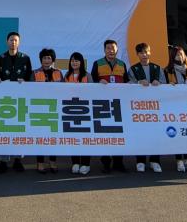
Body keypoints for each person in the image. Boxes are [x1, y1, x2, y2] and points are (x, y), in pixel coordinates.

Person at [0, 31, 32, 173]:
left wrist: (25, 81)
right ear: (7, 41)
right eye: (11, 40)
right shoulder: (0, 58)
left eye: (16, 40)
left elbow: (29, 77)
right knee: (3, 130)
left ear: (19, 42)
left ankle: (18, 160)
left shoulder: (25, 58)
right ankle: (3, 161)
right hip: (4, 101)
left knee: (19, 129)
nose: (13, 42)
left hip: (20, 100)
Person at [90, 39, 129, 173]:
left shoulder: (122, 64)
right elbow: (92, 81)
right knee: (105, 133)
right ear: (104, 50)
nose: (111, 50)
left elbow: (127, 82)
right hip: (103, 104)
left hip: (119, 104)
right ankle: (106, 162)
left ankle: (118, 162)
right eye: (108, 48)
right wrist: (98, 81)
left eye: (113, 48)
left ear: (117, 50)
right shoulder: (97, 63)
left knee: (119, 133)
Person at [128, 42, 166, 173]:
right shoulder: (133, 69)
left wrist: (159, 82)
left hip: (155, 107)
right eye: (141, 53)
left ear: (150, 52)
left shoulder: (157, 68)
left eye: (146, 52)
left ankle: (155, 161)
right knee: (140, 134)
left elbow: (165, 84)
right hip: (139, 107)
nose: (144, 55)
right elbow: (128, 84)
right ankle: (140, 161)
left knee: (156, 134)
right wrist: (138, 82)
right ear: (137, 54)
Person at [31, 48, 63, 173]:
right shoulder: (34, 73)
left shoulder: (59, 73)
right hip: (39, 109)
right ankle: (40, 163)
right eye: (44, 58)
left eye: (49, 58)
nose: (46, 60)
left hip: (54, 109)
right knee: (40, 137)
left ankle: (53, 162)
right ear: (41, 60)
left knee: (53, 137)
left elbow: (63, 90)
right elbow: (28, 90)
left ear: (53, 60)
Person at [165, 46, 187, 173]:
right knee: (177, 133)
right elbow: (162, 88)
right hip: (174, 106)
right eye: (177, 55)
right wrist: (168, 86)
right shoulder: (168, 70)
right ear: (172, 56)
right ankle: (179, 160)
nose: (180, 56)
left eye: (182, 54)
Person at [64, 52, 92, 175]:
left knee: (85, 139)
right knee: (73, 138)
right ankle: (75, 162)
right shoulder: (67, 75)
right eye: (72, 60)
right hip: (70, 110)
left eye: (77, 60)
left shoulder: (87, 75)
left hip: (85, 110)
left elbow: (93, 92)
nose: (74, 63)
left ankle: (86, 164)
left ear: (81, 62)